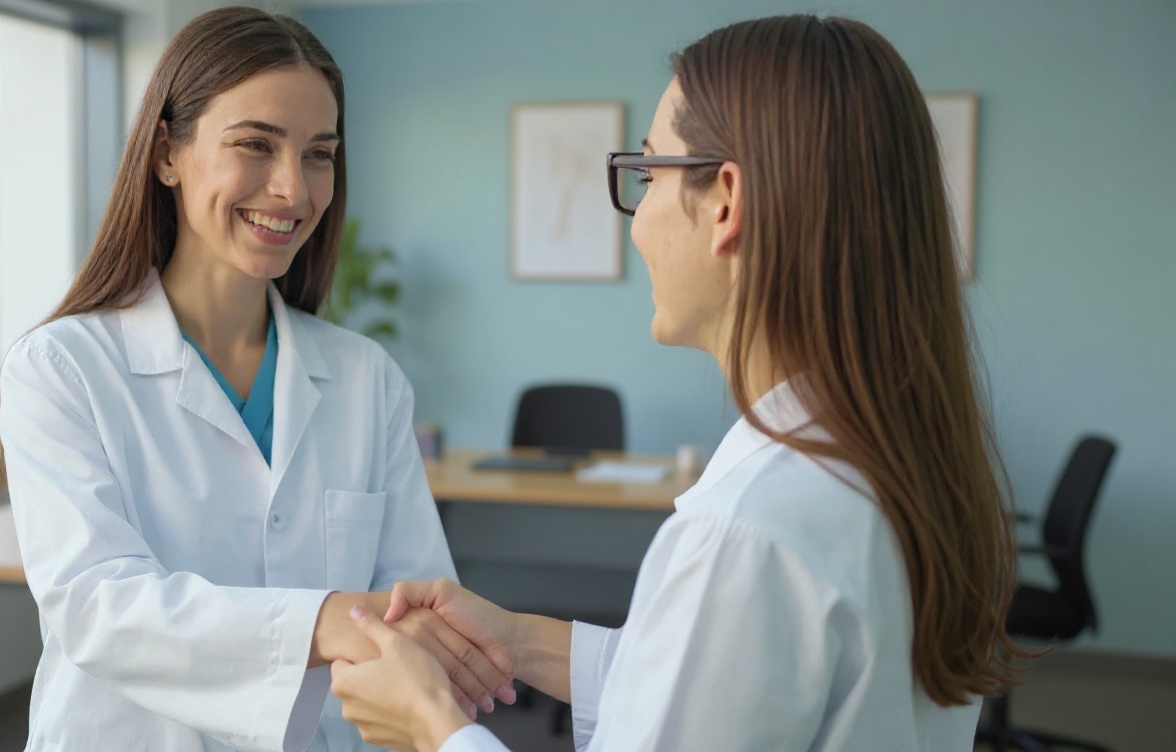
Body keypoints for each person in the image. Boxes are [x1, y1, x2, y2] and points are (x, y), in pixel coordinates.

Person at [328, 15, 1024, 752]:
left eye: (648, 172)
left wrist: (433, 728)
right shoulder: (899, 465)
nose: (637, 222)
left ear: (726, 202)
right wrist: (519, 640)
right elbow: (724, 689)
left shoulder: (747, 536)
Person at [0, 8, 512, 751]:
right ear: (167, 153)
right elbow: (98, 607)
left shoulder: (368, 381)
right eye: (255, 145)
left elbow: (417, 611)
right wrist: (326, 618)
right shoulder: (61, 369)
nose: (293, 190)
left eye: (319, 155)